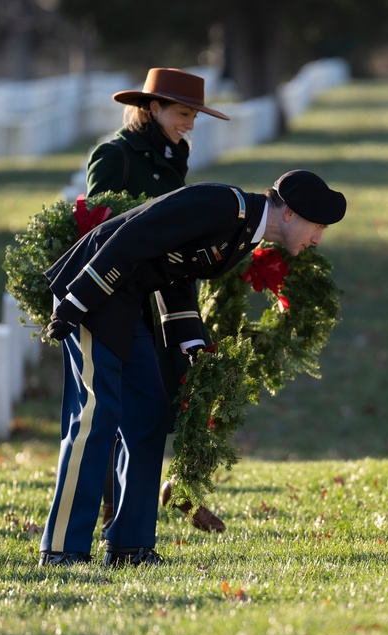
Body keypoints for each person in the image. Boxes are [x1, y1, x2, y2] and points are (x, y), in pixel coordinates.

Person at [38, 169, 347, 566]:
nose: (318, 239)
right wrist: (76, 301)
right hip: (94, 289)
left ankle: (130, 545)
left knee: (149, 415)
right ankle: (63, 547)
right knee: (97, 416)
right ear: (289, 213)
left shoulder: (244, 230)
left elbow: (175, 271)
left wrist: (191, 339)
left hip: (127, 304)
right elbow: (134, 238)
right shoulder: (222, 206)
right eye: (317, 226)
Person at [87, 67, 231, 535]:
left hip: (163, 302)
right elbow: (95, 231)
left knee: (155, 409)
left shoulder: (175, 154)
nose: (190, 124)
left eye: (194, 116)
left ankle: (144, 508)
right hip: (120, 301)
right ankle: (113, 517)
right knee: (116, 411)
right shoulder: (116, 156)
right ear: (153, 108)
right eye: (183, 113)